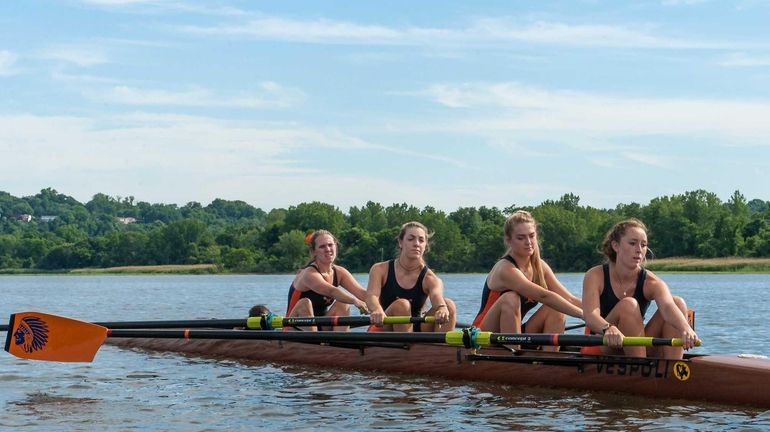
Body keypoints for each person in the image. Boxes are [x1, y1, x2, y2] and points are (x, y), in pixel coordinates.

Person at [582, 218, 699, 359]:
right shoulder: (595, 275)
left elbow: (668, 307)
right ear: (615, 246)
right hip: (605, 343)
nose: (639, 250)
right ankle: (641, 369)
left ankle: (673, 369)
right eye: (632, 243)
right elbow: (590, 316)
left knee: (678, 303)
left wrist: (685, 328)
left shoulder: (651, 282)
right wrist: (608, 328)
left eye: (643, 245)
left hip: (634, 343)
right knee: (629, 305)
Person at [472, 210, 583, 351]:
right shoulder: (505, 269)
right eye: (521, 238)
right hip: (482, 336)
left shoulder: (540, 266)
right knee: (510, 298)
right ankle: (514, 359)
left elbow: (569, 299)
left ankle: (549, 363)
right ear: (508, 240)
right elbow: (544, 296)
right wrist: (583, 316)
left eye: (532, 236)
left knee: (557, 308)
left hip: (513, 333)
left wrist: (599, 316)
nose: (528, 242)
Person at [366, 221, 456, 332]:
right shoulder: (380, 269)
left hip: (416, 328)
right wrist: (376, 309)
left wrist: (442, 308)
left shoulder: (430, 278)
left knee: (449, 305)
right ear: (400, 242)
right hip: (383, 325)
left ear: (425, 246)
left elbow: (437, 297)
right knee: (402, 305)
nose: (416, 244)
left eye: (421, 240)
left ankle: (442, 349)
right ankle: (407, 346)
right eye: (411, 239)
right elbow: (371, 296)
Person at [286, 229, 369, 331]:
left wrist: (381, 305)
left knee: (343, 304)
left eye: (330, 245)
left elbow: (362, 293)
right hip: (294, 326)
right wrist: (355, 301)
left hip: (321, 325)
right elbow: (332, 291)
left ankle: (340, 343)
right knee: (305, 303)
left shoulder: (340, 272)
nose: (328, 249)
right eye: (322, 246)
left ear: (336, 247)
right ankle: (317, 342)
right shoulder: (309, 274)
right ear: (314, 252)